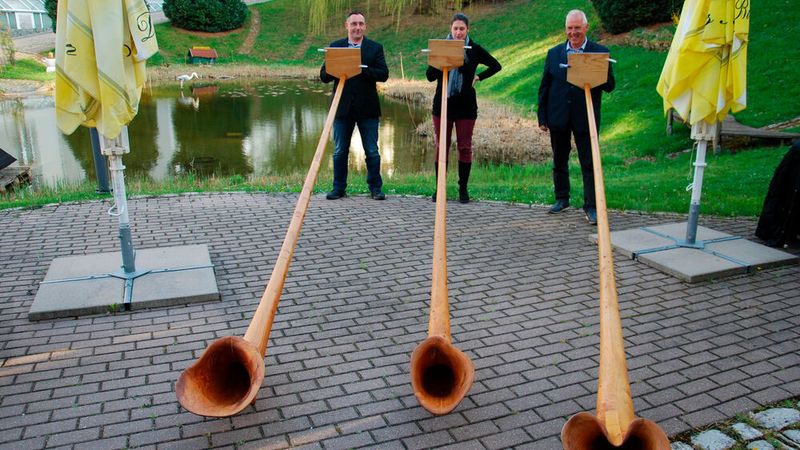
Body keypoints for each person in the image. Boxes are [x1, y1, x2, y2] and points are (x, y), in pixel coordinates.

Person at [537, 9, 615, 224]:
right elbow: (544, 86)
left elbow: (610, 86)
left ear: (586, 27)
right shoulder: (554, 53)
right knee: (559, 160)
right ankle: (562, 198)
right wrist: (542, 116)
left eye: (577, 28)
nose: (573, 32)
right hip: (558, 115)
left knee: (589, 162)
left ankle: (591, 206)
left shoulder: (599, 52)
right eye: (570, 28)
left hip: (585, 116)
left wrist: (597, 69)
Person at [426, 12, 501, 203]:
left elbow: (496, 66)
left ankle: (463, 189)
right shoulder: (441, 47)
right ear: (450, 29)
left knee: (465, 147)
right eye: (455, 28)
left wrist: (479, 76)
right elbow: (429, 76)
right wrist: (443, 60)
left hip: (466, 106)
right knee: (441, 146)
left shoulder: (474, 49)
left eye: (462, 29)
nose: (458, 32)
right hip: (443, 104)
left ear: (467, 29)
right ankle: (440, 188)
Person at [320, 10, 389, 200]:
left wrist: (361, 69)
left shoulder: (375, 48)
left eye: (360, 24)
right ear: (347, 26)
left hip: (368, 108)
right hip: (342, 108)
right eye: (354, 24)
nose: (357, 27)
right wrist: (338, 67)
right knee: (340, 151)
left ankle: (375, 188)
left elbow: (383, 74)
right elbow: (324, 76)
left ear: (365, 26)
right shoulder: (336, 47)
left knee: (372, 150)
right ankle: (338, 188)